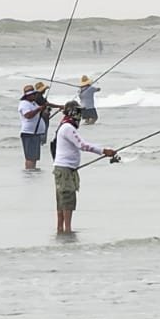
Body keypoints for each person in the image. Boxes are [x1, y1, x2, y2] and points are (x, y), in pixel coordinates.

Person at [52, 100, 116, 233]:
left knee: (62, 201)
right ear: (73, 113)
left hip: (64, 169)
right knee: (67, 200)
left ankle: (61, 230)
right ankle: (67, 230)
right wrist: (103, 151)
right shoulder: (68, 128)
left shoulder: (64, 126)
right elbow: (82, 145)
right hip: (65, 171)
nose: (80, 117)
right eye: (78, 113)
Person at [18, 83, 51, 170]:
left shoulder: (33, 103)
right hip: (29, 133)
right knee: (30, 157)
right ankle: (29, 173)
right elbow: (28, 115)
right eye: (32, 94)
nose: (34, 96)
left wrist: (43, 109)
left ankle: (32, 172)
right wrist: (38, 109)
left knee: (34, 157)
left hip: (35, 133)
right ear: (27, 96)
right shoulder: (24, 104)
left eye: (34, 94)